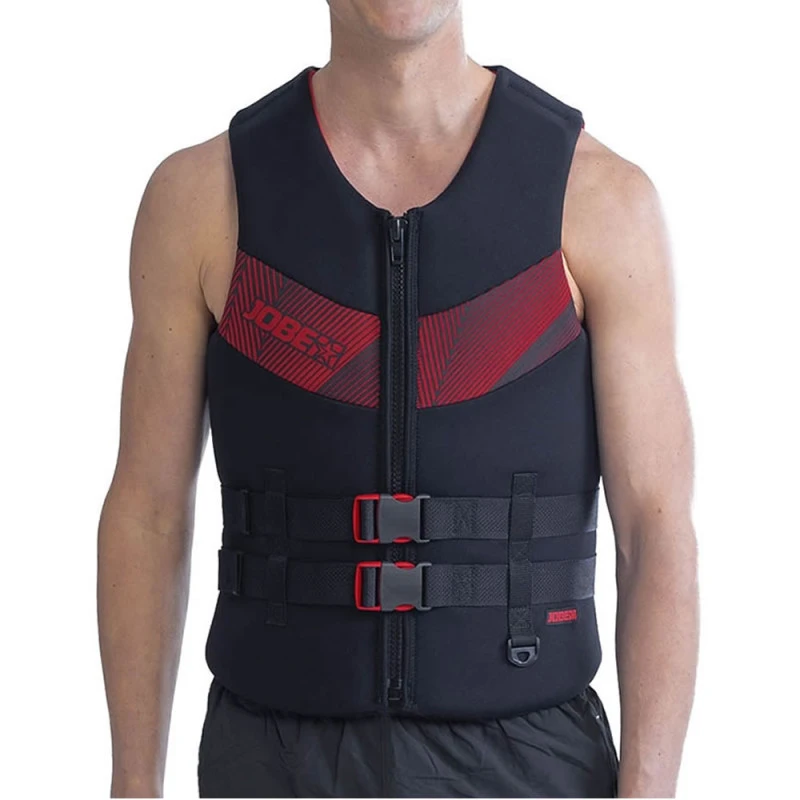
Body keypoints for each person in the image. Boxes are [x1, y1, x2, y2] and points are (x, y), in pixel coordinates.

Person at [97, 1, 699, 797]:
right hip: (272, 759)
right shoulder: (201, 199)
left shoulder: (601, 201)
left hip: (531, 760)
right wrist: (132, 784)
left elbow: (655, 530)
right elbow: (147, 511)